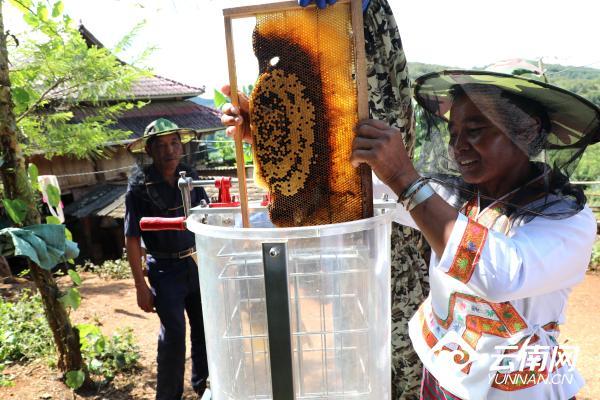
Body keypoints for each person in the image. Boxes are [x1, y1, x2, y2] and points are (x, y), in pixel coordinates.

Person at [222, 1, 430, 397]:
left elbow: (372, 158)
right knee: (355, 367)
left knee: (401, 370)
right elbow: (321, 154)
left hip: (389, 251)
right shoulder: (306, 55)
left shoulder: (367, 36)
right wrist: (264, 135)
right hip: (336, 257)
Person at [350, 70, 599, 399]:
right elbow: (374, 193)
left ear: (526, 131)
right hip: (441, 373)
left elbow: (500, 275)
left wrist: (403, 176)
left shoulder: (569, 222)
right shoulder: (461, 197)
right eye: (453, 132)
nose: (457, 146)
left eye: (476, 131)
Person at [124, 118, 210, 400]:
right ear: (149, 151)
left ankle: (205, 386)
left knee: (204, 327)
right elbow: (132, 238)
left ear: (182, 146)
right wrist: (140, 286)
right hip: (164, 271)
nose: (169, 150)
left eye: (174, 143)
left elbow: (210, 220)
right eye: (161, 145)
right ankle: (168, 396)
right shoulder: (139, 188)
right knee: (173, 335)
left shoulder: (191, 177)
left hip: (198, 264)